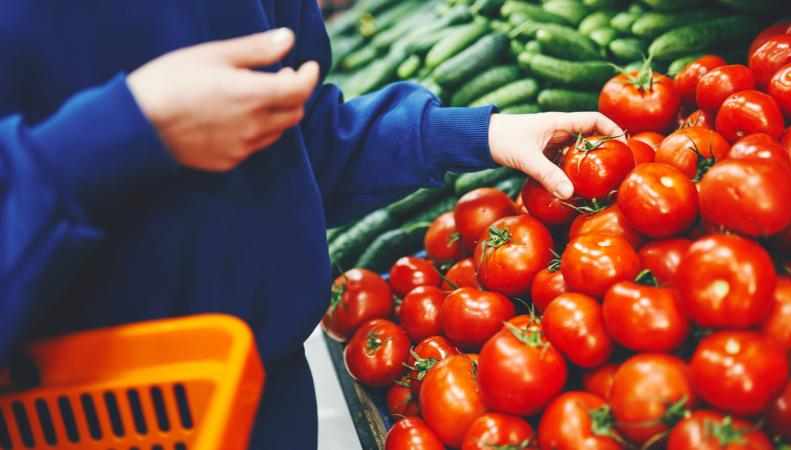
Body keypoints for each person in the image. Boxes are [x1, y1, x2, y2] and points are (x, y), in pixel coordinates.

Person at [0, 1, 624, 448]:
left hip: (268, 395)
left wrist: (475, 134)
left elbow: (294, 141)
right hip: (79, 414)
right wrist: (126, 133)